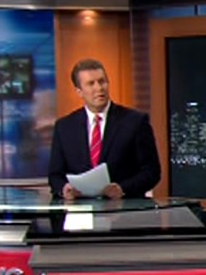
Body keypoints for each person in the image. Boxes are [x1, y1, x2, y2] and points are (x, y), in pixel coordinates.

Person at [48, 58, 161, 200]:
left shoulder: (135, 122)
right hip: (80, 209)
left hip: (123, 208)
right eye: (91, 84)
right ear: (79, 91)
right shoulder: (64, 127)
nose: (99, 88)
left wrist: (123, 189)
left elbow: (151, 171)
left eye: (102, 82)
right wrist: (64, 189)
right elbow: (55, 175)